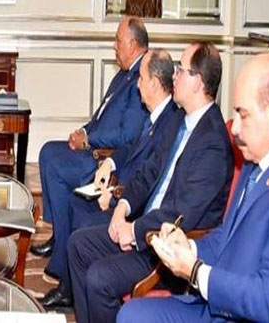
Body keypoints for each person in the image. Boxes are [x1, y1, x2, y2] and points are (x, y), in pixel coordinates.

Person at [118, 53, 269, 322]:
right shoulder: (256, 163)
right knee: (131, 314)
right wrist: (188, 247)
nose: (235, 128)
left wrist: (194, 271)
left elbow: (266, 301)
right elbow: (226, 238)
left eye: (243, 114)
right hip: (218, 304)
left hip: (247, 315)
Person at [68, 41, 233, 323]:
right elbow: (147, 173)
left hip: (166, 249)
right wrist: (122, 208)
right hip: (145, 227)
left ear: (198, 82)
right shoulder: (179, 120)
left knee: (99, 278)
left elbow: (181, 214)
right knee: (78, 245)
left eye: (181, 70)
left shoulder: (213, 143)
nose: (174, 75)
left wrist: (133, 231)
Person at [39, 48, 179, 310]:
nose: (137, 83)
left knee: (82, 227)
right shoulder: (156, 115)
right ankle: (70, 288)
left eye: (141, 79)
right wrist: (110, 163)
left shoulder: (171, 122)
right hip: (119, 186)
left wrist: (117, 195)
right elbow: (131, 147)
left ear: (154, 83)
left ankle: (73, 290)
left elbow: (151, 177)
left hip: (132, 204)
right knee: (76, 203)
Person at [31, 17, 148, 268]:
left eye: (118, 40)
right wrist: (83, 131)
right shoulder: (124, 74)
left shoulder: (141, 79)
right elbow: (101, 117)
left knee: (56, 169)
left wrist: (88, 140)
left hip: (104, 158)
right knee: (47, 152)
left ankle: (62, 256)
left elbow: (127, 136)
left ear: (133, 44)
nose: (114, 46)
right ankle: (59, 233)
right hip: (92, 145)